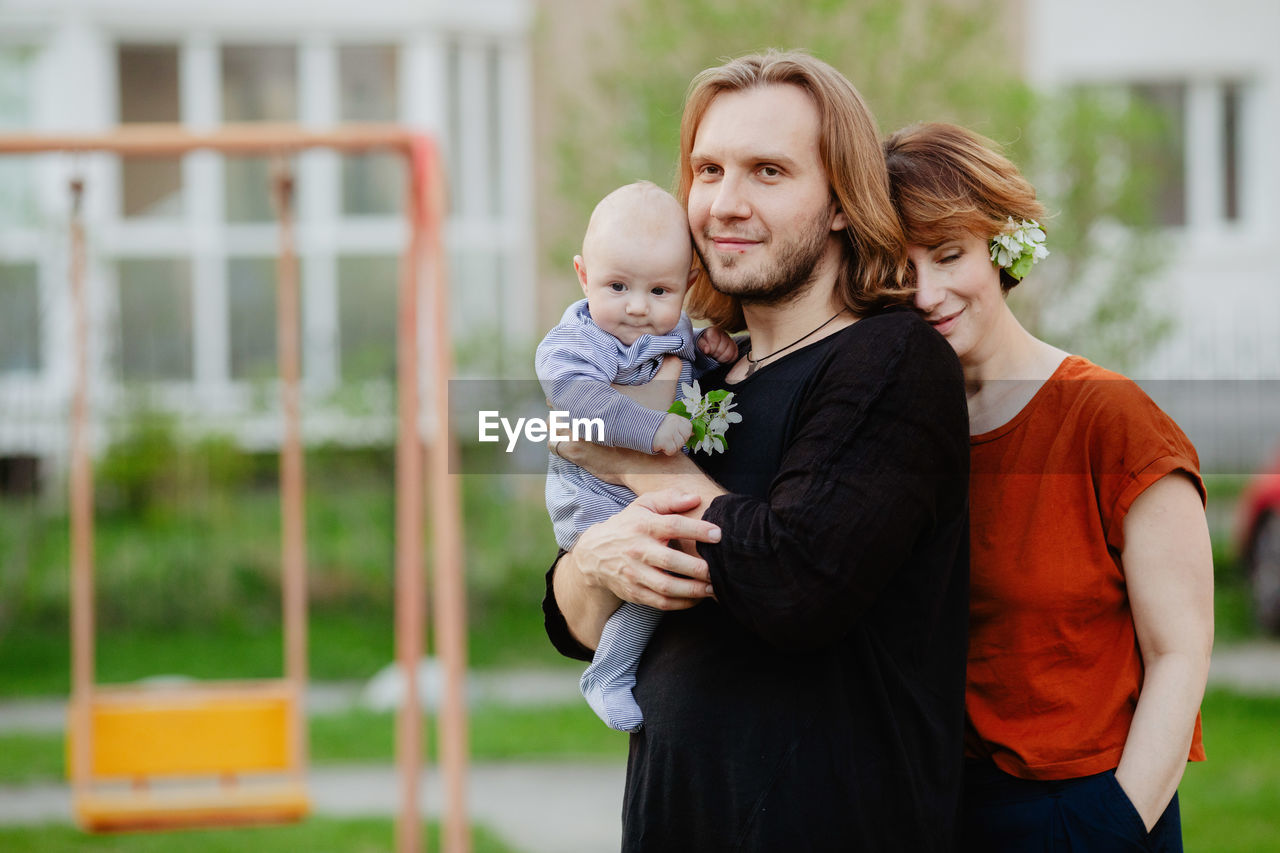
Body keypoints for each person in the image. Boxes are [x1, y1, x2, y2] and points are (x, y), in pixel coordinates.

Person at [543, 50, 971, 850]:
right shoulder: (698, 374)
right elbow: (574, 624)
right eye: (708, 170)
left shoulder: (890, 362)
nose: (724, 204)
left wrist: (631, 461)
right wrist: (597, 561)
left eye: (768, 172)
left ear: (842, 202)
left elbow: (795, 579)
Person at [883, 122, 1214, 852]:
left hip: (1086, 811)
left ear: (1001, 249)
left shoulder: (1112, 419)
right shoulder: (897, 436)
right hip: (942, 808)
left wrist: (1114, 825)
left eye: (948, 255)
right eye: (899, 271)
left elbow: (1181, 652)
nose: (926, 293)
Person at [535, 180, 737, 732]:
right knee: (652, 568)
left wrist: (715, 350)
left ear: (689, 284)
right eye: (617, 286)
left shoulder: (674, 329)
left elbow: (688, 362)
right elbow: (578, 399)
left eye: (660, 291)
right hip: (591, 498)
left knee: (665, 568)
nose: (637, 308)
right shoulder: (574, 344)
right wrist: (650, 429)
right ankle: (609, 672)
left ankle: (615, 666)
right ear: (583, 276)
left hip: (638, 491)